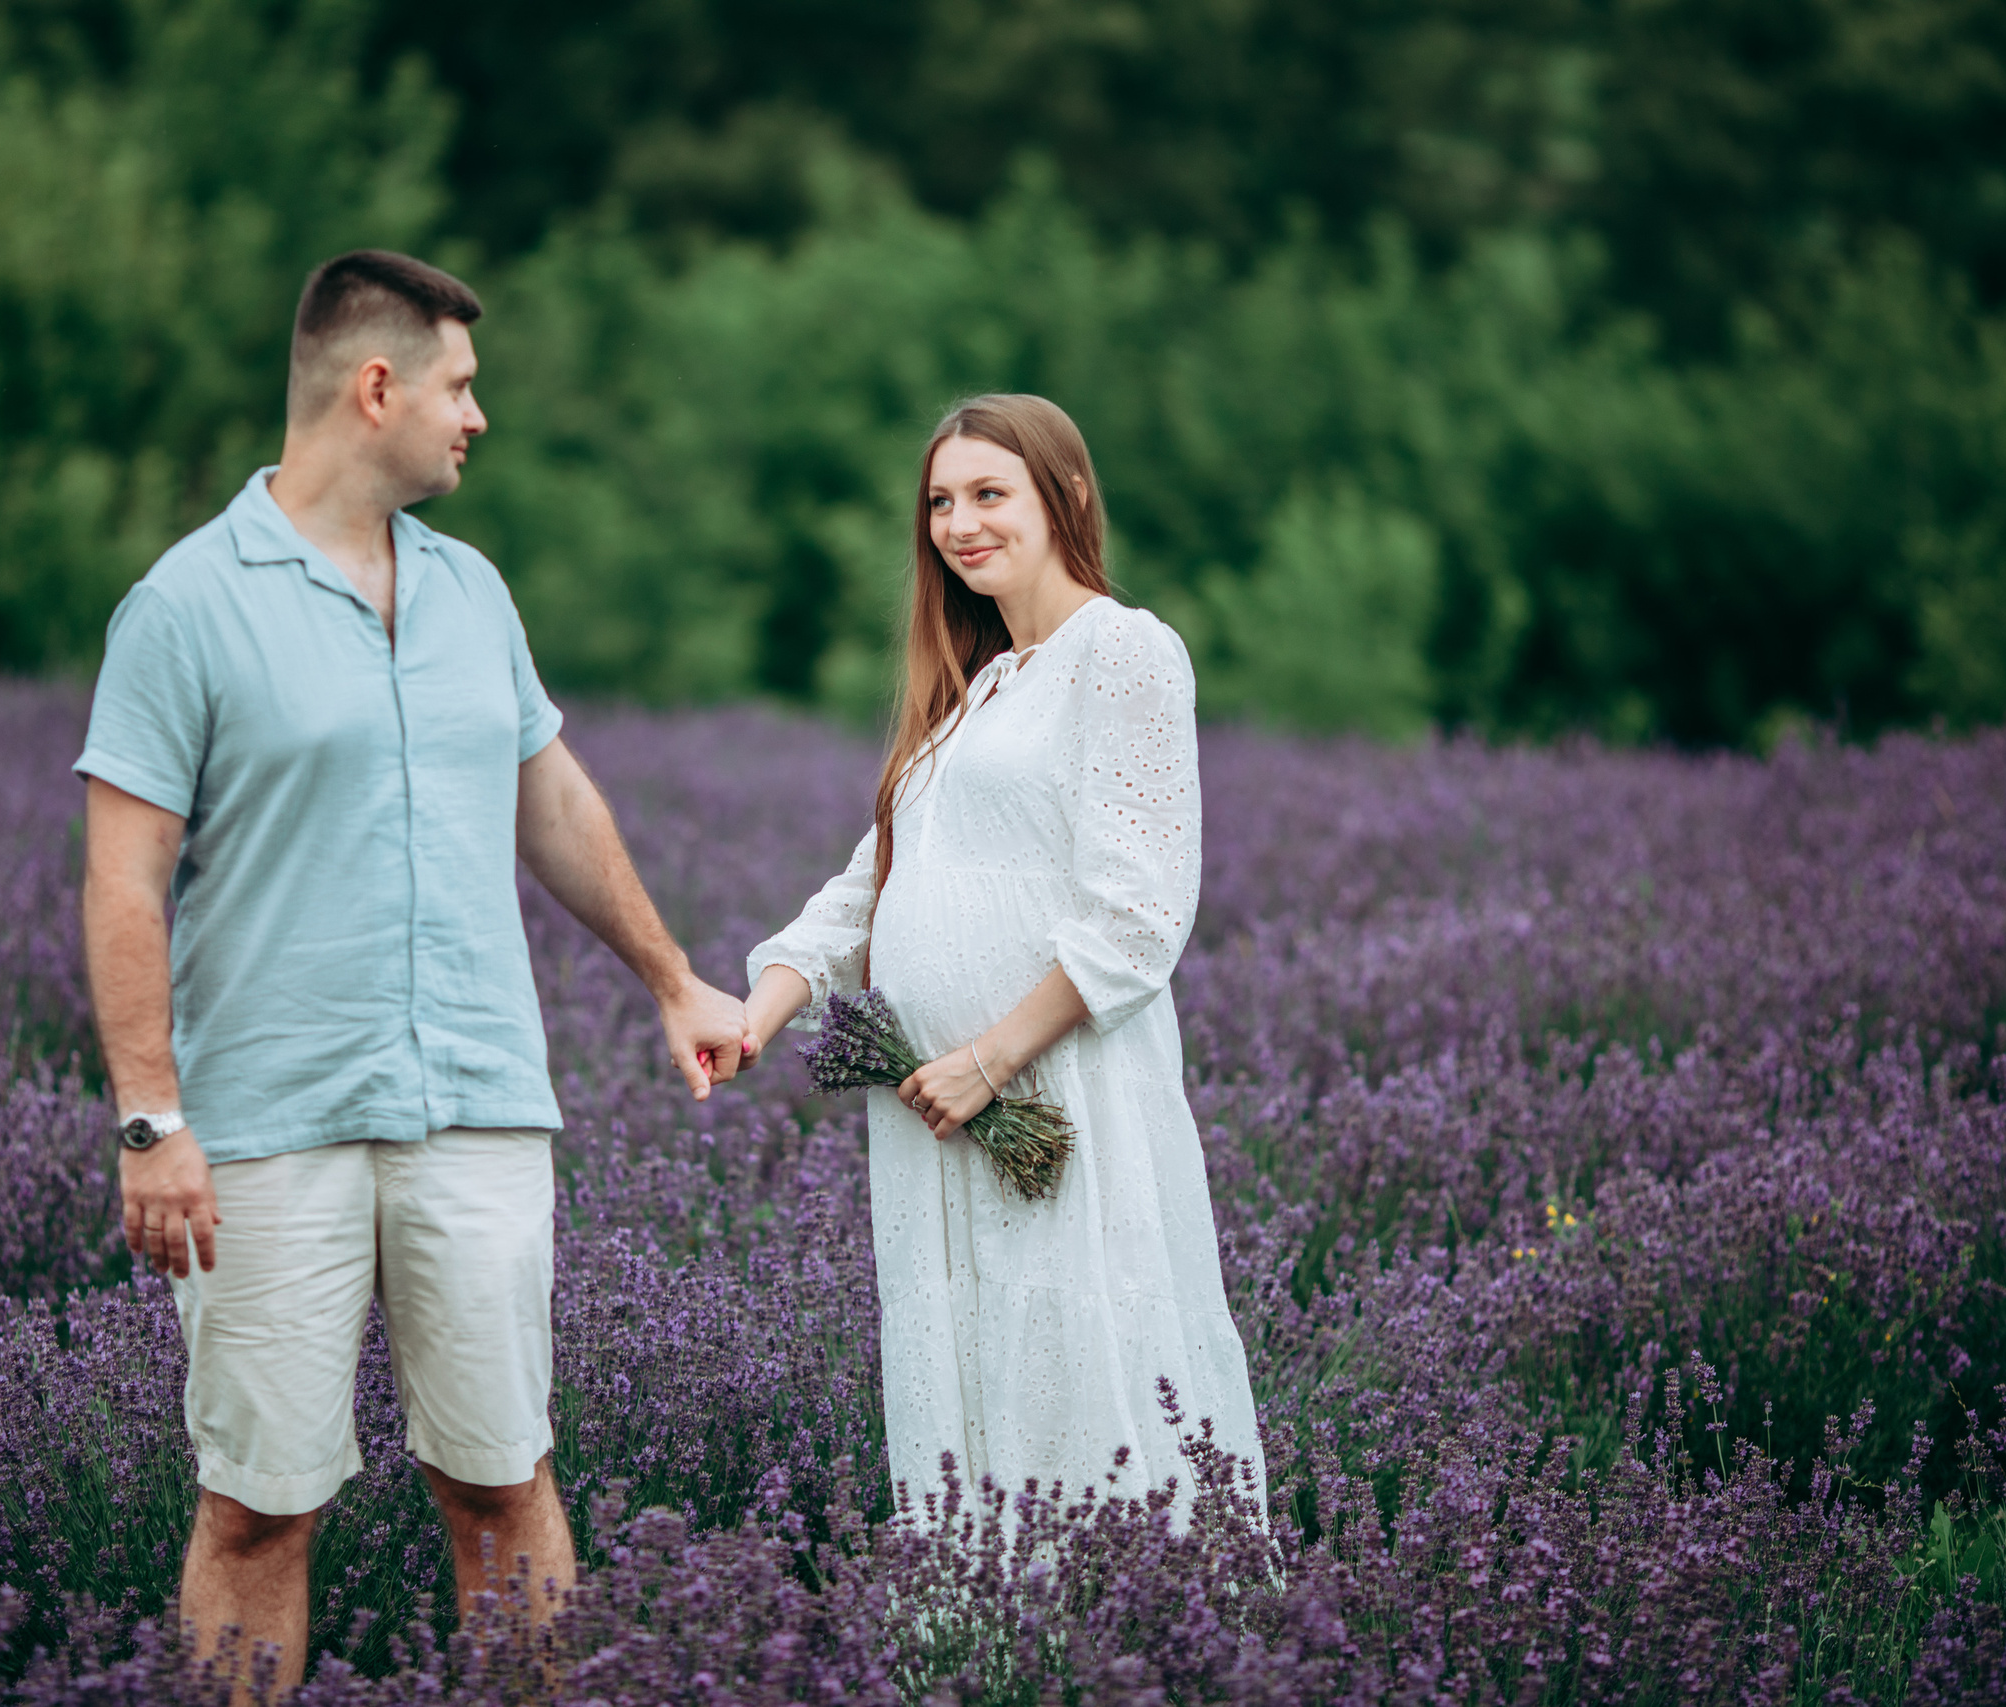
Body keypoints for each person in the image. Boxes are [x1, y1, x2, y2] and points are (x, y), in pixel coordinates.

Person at [75, 249, 751, 1686]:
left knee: (504, 1484)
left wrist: (670, 974)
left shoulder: (471, 593)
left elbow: (552, 799)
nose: (477, 416)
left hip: (479, 1105)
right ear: (374, 386)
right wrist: (150, 1115)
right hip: (264, 1123)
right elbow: (122, 876)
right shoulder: (185, 605)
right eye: (459, 384)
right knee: (262, 1507)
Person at [742, 394, 1269, 1525]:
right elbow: (865, 891)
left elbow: (1138, 914)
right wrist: (759, 1010)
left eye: (989, 493)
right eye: (940, 500)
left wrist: (990, 1060)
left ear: (1065, 498)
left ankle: (1132, 1627)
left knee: (1082, 1359)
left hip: (1048, 1093)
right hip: (936, 1112)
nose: (958, 523)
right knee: (972, 1374)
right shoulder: (979, 690)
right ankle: (989, 1638)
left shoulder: (1119, 652)